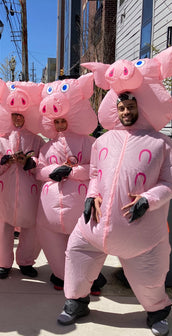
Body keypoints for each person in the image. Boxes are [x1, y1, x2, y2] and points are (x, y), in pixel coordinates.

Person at [57, 43, 172, 336]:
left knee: (150, 278)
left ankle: (157, 312)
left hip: (140, 231)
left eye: (131, 107)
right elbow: (94, 175)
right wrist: (91, 196)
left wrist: (148, 199)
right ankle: (76, 302)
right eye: (122, 107)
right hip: (94, 226)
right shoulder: (103, 141)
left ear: (141, 107)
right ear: (115, 109)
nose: (126, 111)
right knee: (76, 255)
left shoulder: (162, 144)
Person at [35, 76, 105, 294]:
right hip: (50, 207)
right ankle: (62, 274)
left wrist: (72, 171)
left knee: (84, 244)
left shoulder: (90, 142)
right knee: (54, 244)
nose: (59, 124)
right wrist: (52, 172)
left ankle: (86, 279)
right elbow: (39, 170)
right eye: (56, 121)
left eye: (63, 120)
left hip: (78, 204)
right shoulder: (47, 147)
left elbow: (98, 168)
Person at [0, 79, 45, 279]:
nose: (18, 119)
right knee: (1, 228)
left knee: (31, 229)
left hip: (30, 193)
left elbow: (42, 163)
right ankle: (3, 263)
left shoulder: (37, 140)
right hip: (4, 193)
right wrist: (4, 161)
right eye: (14, 116)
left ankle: (26, 261)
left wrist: (29, 163)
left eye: (21, 116)